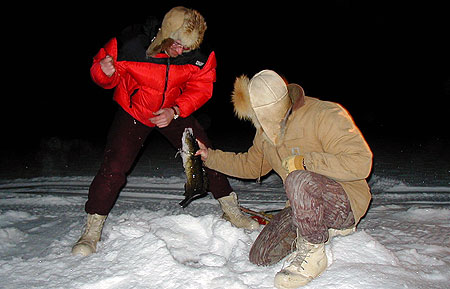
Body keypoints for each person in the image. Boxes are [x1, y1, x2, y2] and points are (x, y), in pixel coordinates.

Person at [72, 6, 259, 257]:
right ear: (166, 33)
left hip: (173, 111)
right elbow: (105, 74)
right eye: (178, 43)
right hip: (134, 111)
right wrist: (103, 73)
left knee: (205, 154)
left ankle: (230, 208)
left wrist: (176, 110)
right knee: (114, 165)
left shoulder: (199, 55)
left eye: (188, 47)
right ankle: (92, 228)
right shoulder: (130, 44)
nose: (182, 51)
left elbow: (202, 87)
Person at [196, 70, 373, 288]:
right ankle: (316, 228)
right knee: (260, 256)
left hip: (344, 200)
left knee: (297, 179)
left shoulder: (324, 114)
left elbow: (361, 162)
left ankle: (314, 252)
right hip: (303, 204)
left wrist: (306, 162)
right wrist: (210, 157)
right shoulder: (265, 133)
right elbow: (251, 165)